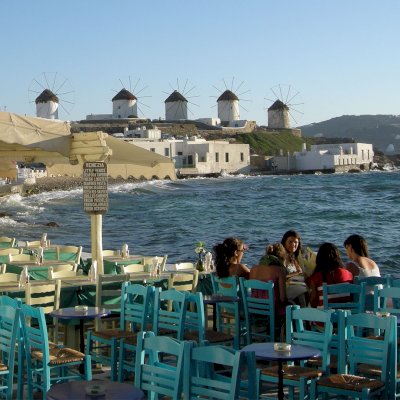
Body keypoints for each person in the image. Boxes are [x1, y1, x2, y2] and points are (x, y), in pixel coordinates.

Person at [251, 243, 288, 338]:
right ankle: (286, 339)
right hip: (272, 313)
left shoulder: (253, 269)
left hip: (254, 310)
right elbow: (283, 298)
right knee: (292, 306)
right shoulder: (280, 270)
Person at [308, 242, 353, 308]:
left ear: (320, 258)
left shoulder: (317, 277)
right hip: (345, 314)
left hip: (324, 316)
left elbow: (313, 303)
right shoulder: (348, 274)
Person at [280, 230, 308, 306]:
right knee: (306, 289)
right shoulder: (282, 257)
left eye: (296, 242)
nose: (293, 244)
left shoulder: (292, 256)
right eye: (290, 242)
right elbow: (281, 276)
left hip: (294, 284)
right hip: (285, 287)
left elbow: (300, 271)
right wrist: (296, 273)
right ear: (284, 242)